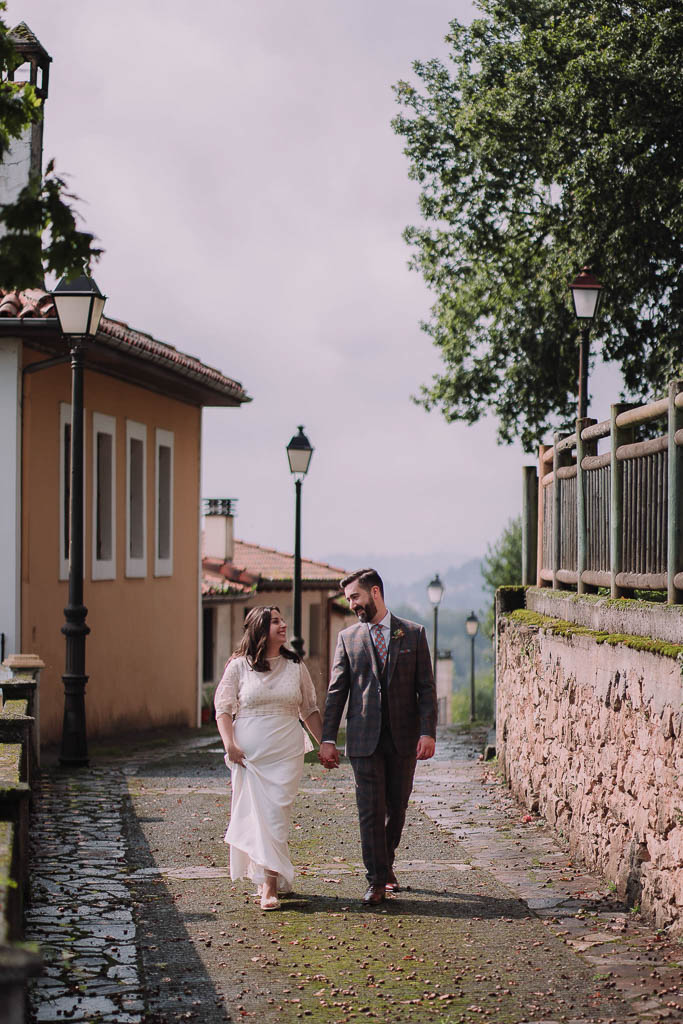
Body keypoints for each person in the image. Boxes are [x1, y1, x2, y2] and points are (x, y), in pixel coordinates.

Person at [319, 568, 437, 906]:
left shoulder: (413, 634)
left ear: (375, 592)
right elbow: (336, 692)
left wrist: (427, 732)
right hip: (363, 739)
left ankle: (385, 864)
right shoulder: (348, 639)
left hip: (404, 739)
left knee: (396, 808)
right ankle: (375, 880)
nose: (352, 604)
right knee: (370, 809)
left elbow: (426, 690)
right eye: (348, 600)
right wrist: (328, 738)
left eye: (355, 597)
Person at [214, 606, 324, 910]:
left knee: (276, 818)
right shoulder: (238, 667)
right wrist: (230, 745)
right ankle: (268, 884)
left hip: (286, 753)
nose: (283, 624)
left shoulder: (294, 665)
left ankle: (271, 879)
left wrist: (324, 744)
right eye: (276, 621)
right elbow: (223, 708)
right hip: (249, 756)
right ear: (260, 629)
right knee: (257, 818)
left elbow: (309, 709)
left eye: (282, 619)